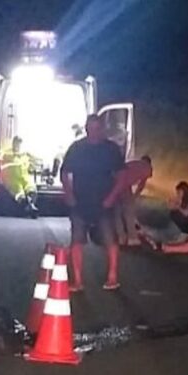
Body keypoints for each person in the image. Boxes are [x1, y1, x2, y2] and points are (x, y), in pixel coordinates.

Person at [60, 114, 126, 291]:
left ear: (102, 129)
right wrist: (69, 194)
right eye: (90, 129)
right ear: (86, 129)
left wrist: (112, 197)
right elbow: (64, 172)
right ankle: (78, 280)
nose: (94, 133)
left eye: (97, 129)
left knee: (110, 240)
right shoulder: (77, 148)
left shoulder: (111, 149)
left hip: (104, 202)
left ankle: (112, 276)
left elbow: (121, 177)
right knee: (77, 240)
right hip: (80, 202)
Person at [0, 136, 40, 217]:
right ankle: (27, 206)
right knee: (19, 193)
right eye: (16, 143)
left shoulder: (24, 154)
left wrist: (31, 156)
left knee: (31, 188)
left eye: (19, 144)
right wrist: (13, 155)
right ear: (13, 143)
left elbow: (36, 160)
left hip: (24, 177)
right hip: (11, 178)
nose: (17, 146)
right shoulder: (6, 152)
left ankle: (31, 205)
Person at [118, 155, 153, 246]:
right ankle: (132, 238)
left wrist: (133, 197)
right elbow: (141, 184)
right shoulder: (147, 167)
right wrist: (135, 196)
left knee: (117, 211)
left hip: (115, 182)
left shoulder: (133, 163)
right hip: (123, 184)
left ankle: (121, 237)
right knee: (129, 211)